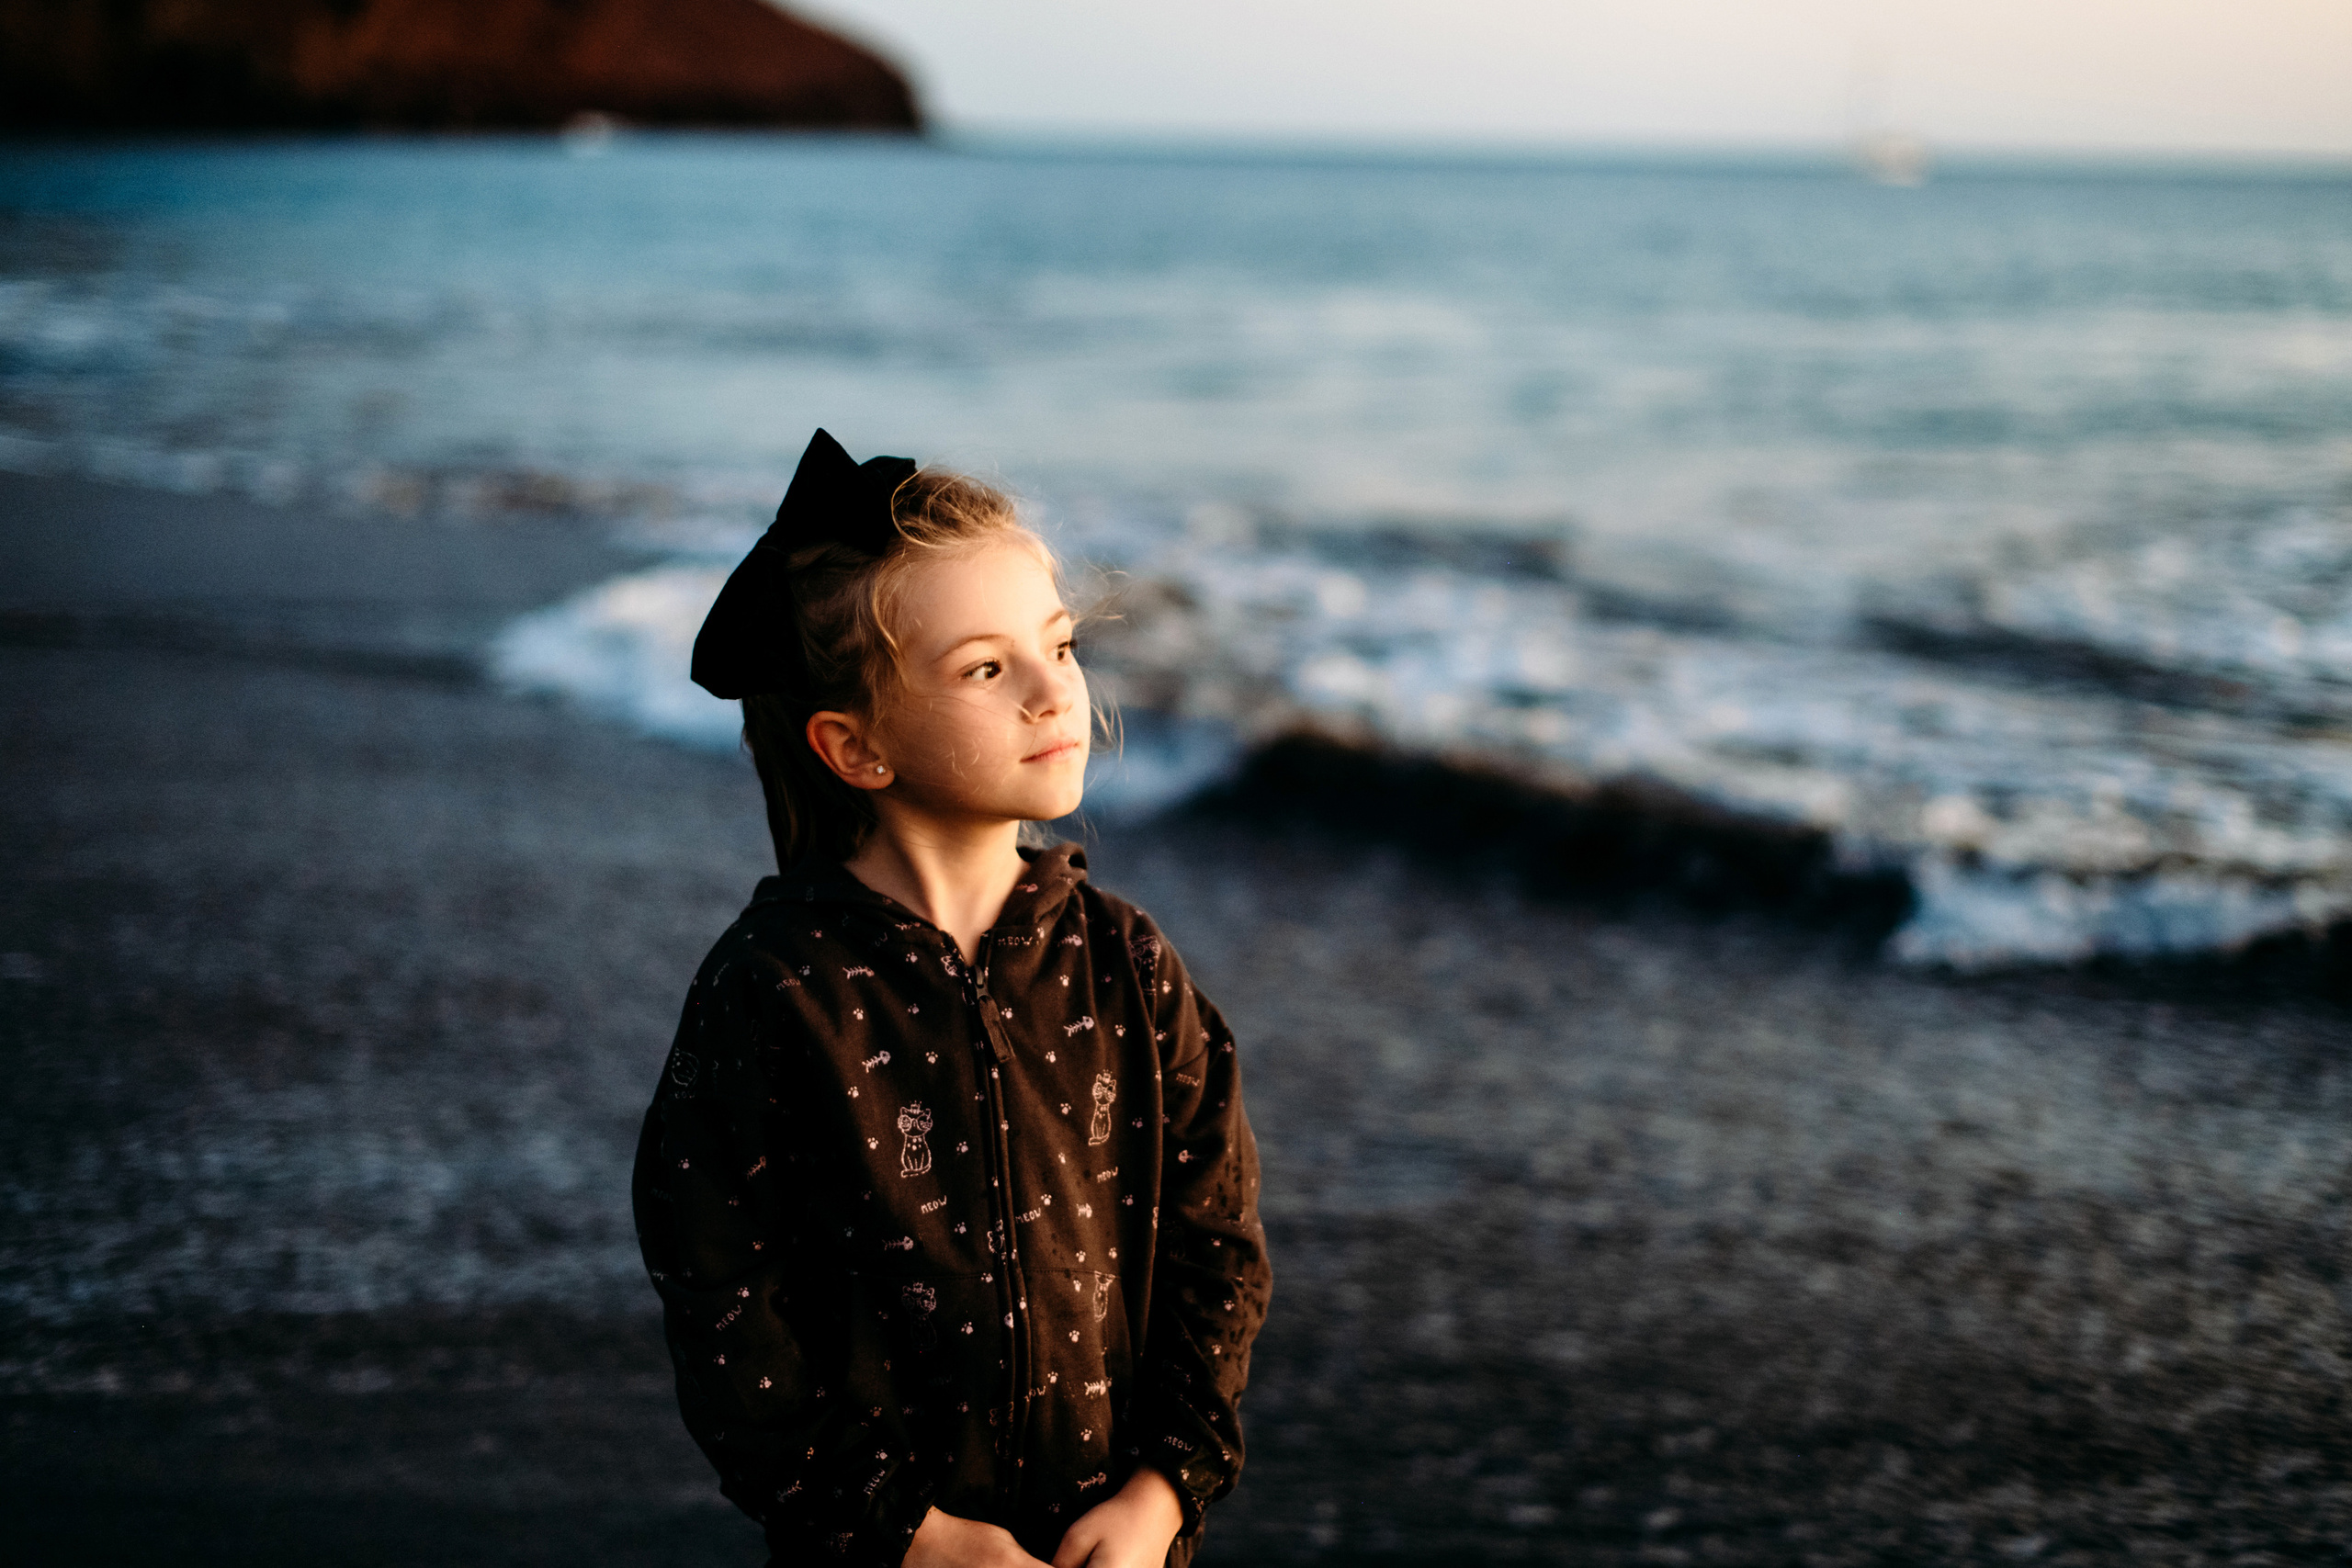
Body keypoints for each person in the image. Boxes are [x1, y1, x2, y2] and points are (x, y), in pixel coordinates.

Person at [632, 430, 1272, 1568]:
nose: (1052, 690)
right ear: (856, 747)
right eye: (986, 669)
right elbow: (724, 1301)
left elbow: (1214, 1243)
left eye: (1059, 646)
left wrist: (1165, 1489)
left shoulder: (1126, 964)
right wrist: (909, 1536)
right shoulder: (776, 991)